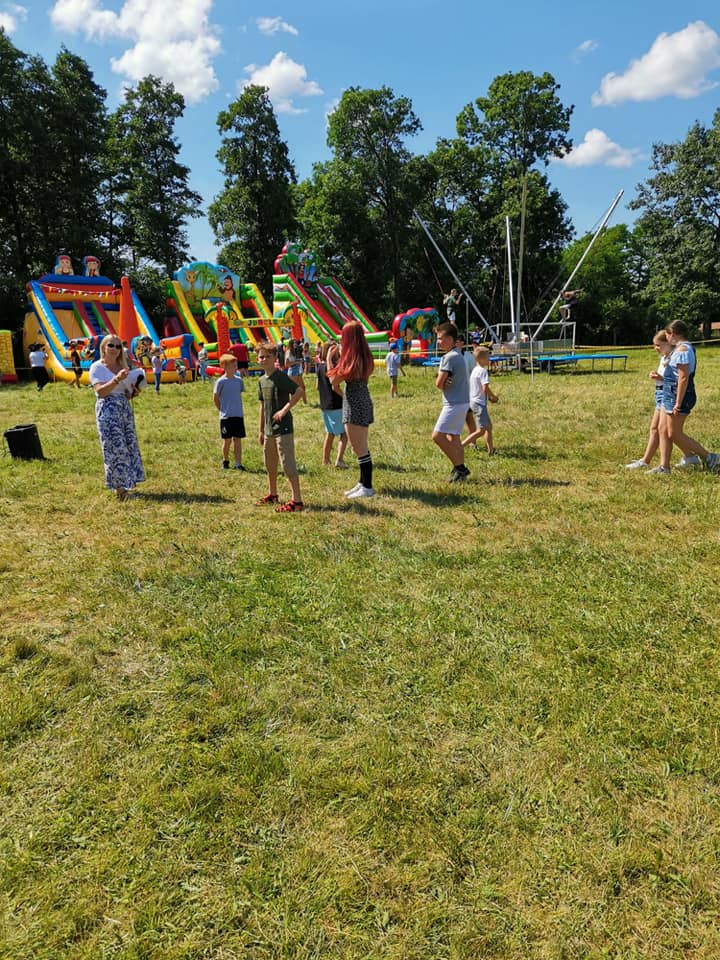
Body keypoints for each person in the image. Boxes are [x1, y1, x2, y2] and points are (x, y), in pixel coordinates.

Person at [651, 319, 720, 475]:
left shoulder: (683, 351)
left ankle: (710, 457)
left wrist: (678, 402)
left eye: (667, 335)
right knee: (663, 429)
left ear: (672, 334)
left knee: (674, 433)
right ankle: (664, 467)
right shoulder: (678, 349)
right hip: (668, 394)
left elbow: (683, 378)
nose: (666, 338)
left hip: (679, 395)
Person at [89, 334, 145, 501]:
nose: (114, 349)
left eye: (118, 346)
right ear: (104, 348)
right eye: (111, 345)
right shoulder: (97, 367)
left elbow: (126, 393)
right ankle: (119, 489)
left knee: (127, 445)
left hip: (123, 408)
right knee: (114, 447)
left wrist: (134, 391)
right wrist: (116, 379)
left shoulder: (123, 366)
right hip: (107, 409)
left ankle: (126, 484)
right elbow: (100, 391)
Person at [329, 321, 375, 499]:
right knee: (361, 445)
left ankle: (367, 487)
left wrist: (328, 359)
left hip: (354, 403)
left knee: (359, 447)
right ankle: (363, 482)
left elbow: (334, 381)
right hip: (363, 399)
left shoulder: (351, 358)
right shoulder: (364, 355)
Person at [256, 343, 304, 512]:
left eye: (267, 356)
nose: (264, 359)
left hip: (283, 429)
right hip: (269, 430)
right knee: (270, 464)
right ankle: (273, 494)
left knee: (287, 464)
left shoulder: (281, 377)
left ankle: (297, 501)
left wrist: (284, 410)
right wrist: (261, 430)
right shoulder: (261, 380)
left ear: (275, 358)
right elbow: (262, 406)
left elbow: (298, 391)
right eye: (261, 357)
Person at [624, 331, 673, 470]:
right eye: (654, 345)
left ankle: (695, 456)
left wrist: (659, 378)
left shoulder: (672, 359)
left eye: (658, 345)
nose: (655, 348)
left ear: (668, 343)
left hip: (666, 394)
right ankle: (646, 460)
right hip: (659, 394)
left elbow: (673, 380)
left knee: (667, 431)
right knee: (656, 429)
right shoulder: (664, 357)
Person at [431, 322, 470, 483]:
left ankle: (460, 468)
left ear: (449, 339)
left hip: (453, 403)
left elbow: (439, 383)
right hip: (462, 401)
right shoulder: (458, 354)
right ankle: (459, 469)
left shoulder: (448, 358)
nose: (438, 342)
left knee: (437, 436)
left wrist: (441, 382)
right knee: (454, 437)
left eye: (440, 339)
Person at [461, 346, 498, 455]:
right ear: (481, 359)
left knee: (488, 427)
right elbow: (485, 387)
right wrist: (493, 397)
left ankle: (490, 451)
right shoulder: (483, 371)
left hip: (474, 402)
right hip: (479, 404)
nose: (489, 360)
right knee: (481, 430)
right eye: (487, 358)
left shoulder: (475, 370)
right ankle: (460, 446)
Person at [317, 341, 348, 468]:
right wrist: (346, 398)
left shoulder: (319, 367)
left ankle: (325, 460)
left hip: (325, 405)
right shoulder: (332, 368)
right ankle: (339, 460)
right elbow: (335, 387)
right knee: (344, 434)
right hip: (336, 404)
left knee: (330, 433)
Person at [214, 353, 246, 470]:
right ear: (224, 367)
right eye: (233, 365)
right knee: (227, 440)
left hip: (238, 415)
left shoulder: (239, 381)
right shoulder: (220, 381)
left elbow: (239, 394)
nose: (235, 367)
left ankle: (238, 463)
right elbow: (216, 397)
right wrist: (221, 409)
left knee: (238, 440)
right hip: (226, 416)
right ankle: (225, 460)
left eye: (235, 365)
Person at [286, 337, 307, 403]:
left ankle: (305, 402)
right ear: (290, 344)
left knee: (302, 387)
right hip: (293, 370)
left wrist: (300, 361)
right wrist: (296, 362)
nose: (295, 344)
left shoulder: (296, 351)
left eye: (296, 342)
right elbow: (286, 364)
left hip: (298, 370)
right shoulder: (288, 352)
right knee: (293, 389)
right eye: (293, 343)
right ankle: (292, 403)